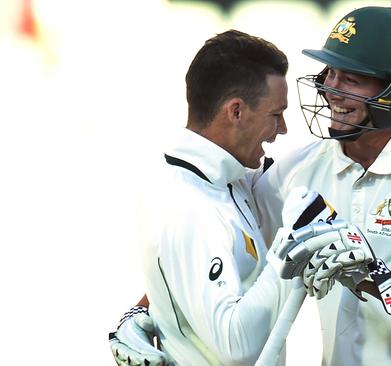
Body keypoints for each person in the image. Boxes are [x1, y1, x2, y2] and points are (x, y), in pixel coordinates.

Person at [111, 6, 391, 366]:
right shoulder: (300, 170)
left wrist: (374, 276)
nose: (331, 90)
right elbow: (211, 244)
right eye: (330, 73)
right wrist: (147, 308)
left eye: (352, 78)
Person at [113, 29, 369, 366]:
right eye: (275, 114)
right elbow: (236, 347)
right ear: (236, 112)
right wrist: (289, 253)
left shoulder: (229, 179)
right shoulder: (188, 207)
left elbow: (321, 156)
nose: (283, 129)